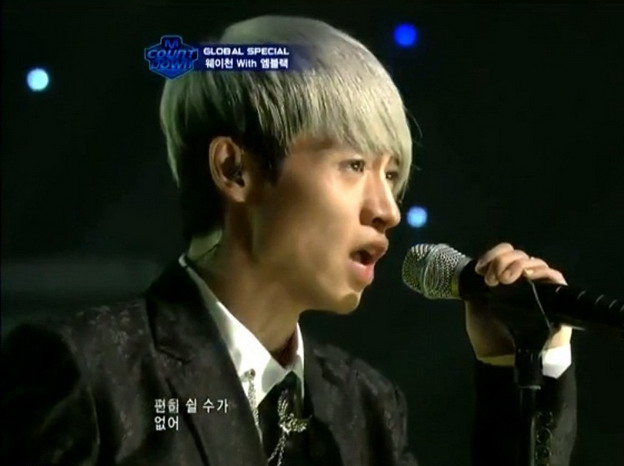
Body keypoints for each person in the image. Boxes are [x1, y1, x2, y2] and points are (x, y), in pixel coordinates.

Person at [1, 15, 576, 466]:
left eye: (392, 175)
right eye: (354, 165)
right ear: (235, 169)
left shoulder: (364, 405)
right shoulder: (88, 373)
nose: (388, 210)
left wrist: (514, 366)